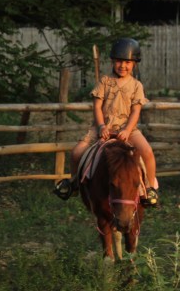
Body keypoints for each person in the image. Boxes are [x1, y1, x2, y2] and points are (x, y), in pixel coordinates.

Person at [54, 38, 160, 206]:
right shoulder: (104, 81)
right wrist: (101, 126)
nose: (122, 66)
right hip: (102, 126)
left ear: (134, 64)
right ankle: (74, 184)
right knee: (76, 152)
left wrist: (127, 130)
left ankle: (149, 188)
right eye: (119, 61)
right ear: (112, 61)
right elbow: (97, 107)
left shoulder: (136, 86)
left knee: (147, 152)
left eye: (127, 62)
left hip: (127, 128)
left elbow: (135, 111)